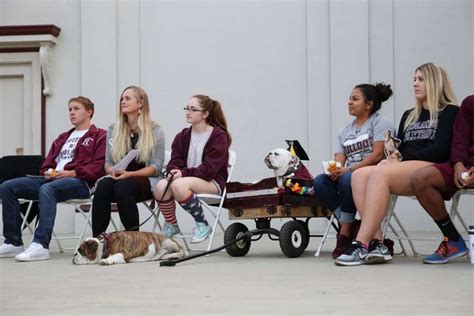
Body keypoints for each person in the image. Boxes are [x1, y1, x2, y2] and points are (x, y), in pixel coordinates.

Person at [335, 62, 459, 266]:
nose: (415, 84)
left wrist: (400, 161)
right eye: (414, 79)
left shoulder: (450, 111)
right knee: (359, 175)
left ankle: (362, 243)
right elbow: (401, 146)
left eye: (421, 79)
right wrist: (393, 156)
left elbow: (441, 150)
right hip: (405, 169)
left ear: (435, 82)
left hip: (432, 167)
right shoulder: (409, 115)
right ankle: (378, 244)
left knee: (380, 173)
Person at [0, 96, 106, 261]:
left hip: (81, 182)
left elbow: (99, 166)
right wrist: (48, 172)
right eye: (70, 109)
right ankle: (13, 242)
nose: (72, 112)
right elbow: (47, 164)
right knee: (8, 187)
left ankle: (41, 245)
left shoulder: (100, 135)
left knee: (47, 189)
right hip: (53, 180)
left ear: (89, 112)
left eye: (76, 108)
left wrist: (72, 173)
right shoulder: (63, 137)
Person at [313, 83, 395, 258]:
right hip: (350, 176)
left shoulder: (380, 122)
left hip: (374, 175)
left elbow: (378, 154)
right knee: (320, 181)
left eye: (355, 99)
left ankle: (345, 231)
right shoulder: (344, 132)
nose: (349, 102)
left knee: (348, 177)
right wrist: (335, 169)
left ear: (369, 104)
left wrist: (348, 169)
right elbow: (339, 160)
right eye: (350, 98)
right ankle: (349, 223)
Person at [154, 95, 231, 243]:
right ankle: (172, 224)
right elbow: (175, 161)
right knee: (160, 186)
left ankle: (202, 224)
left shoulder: (218, 136)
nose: (188, 112)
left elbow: (210, 170)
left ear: (205, 114)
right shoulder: (182, 136)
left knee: (178, 184)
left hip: (211, 182)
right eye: (187, 108)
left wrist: (182, 173)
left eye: (193, 109)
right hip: (186, 181)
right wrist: (173, 171)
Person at [91, 86, 165, 236]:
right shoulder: (113, 129)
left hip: (145, 179)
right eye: (121, 99)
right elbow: (108, 163)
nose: (123, 102)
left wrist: (129, 175)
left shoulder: (155, 130)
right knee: (103, 185)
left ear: (140, 103)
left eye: (127, 98)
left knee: (123, 187)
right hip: (119, 177)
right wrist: (114, 171)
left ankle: (133, 239)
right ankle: (97, 240)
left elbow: (156, 167)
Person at [410, 95, 473, 264]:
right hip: (464, 165)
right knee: (420, 178)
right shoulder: (469, 103)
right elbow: (460, 139)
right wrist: (459, 164)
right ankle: (452, 239)